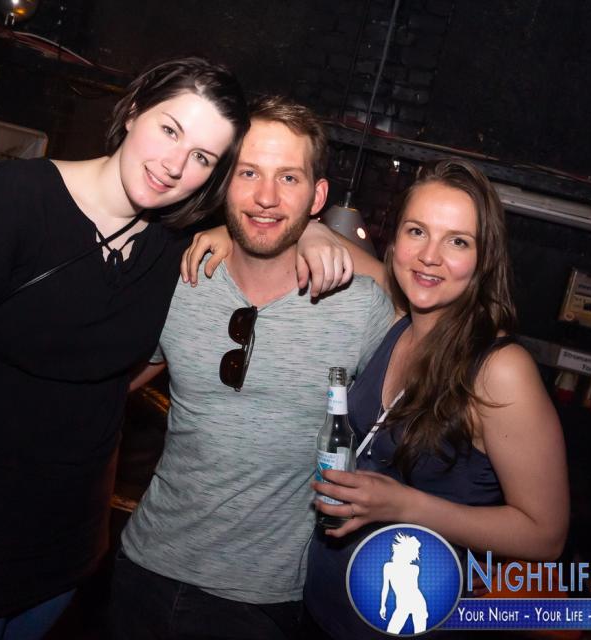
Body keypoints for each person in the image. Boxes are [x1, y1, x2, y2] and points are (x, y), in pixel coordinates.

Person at [0, 56, 250, 640]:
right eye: (170, 130)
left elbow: (120, 370)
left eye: (202, 158)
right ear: (134, 110)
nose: (175, 165)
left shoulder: (173, 248)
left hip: (70, 536)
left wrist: (311, 232)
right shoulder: (16, 198)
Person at [109, 96, 396, 640]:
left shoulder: (360, 308)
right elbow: (100, 384)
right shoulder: (181, 278)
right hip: (142, 568)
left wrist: (319, 232)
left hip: (262, 602)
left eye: (289, 178)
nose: (266, 196)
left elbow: (437, 341)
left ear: (318, 196)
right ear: (224, 184)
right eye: (248, 173)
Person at [304, 158, 570, 639]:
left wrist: (406, 506)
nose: (429, 256)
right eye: (417, 231)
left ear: (484, 260)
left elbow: (545, 536)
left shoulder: (500, 371)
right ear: (395, 239)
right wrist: (298, 231)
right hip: (324, 614)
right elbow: (335, 249)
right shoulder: (400, 321)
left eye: (457, 241)